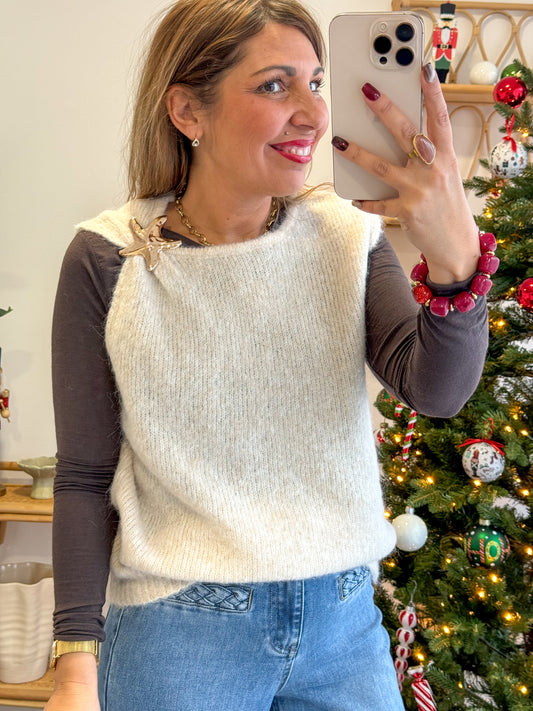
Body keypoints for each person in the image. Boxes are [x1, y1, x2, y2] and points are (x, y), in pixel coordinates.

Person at [46, 1, 489, 709]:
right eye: (275, 85)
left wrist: (455, 262)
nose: (313, 115)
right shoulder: (109, 255)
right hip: (180, 632)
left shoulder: (347, 236)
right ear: (187, 110)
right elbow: (84, 476)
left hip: (344, 627)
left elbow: (436, 391)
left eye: (316, 83)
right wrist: (75, 665)